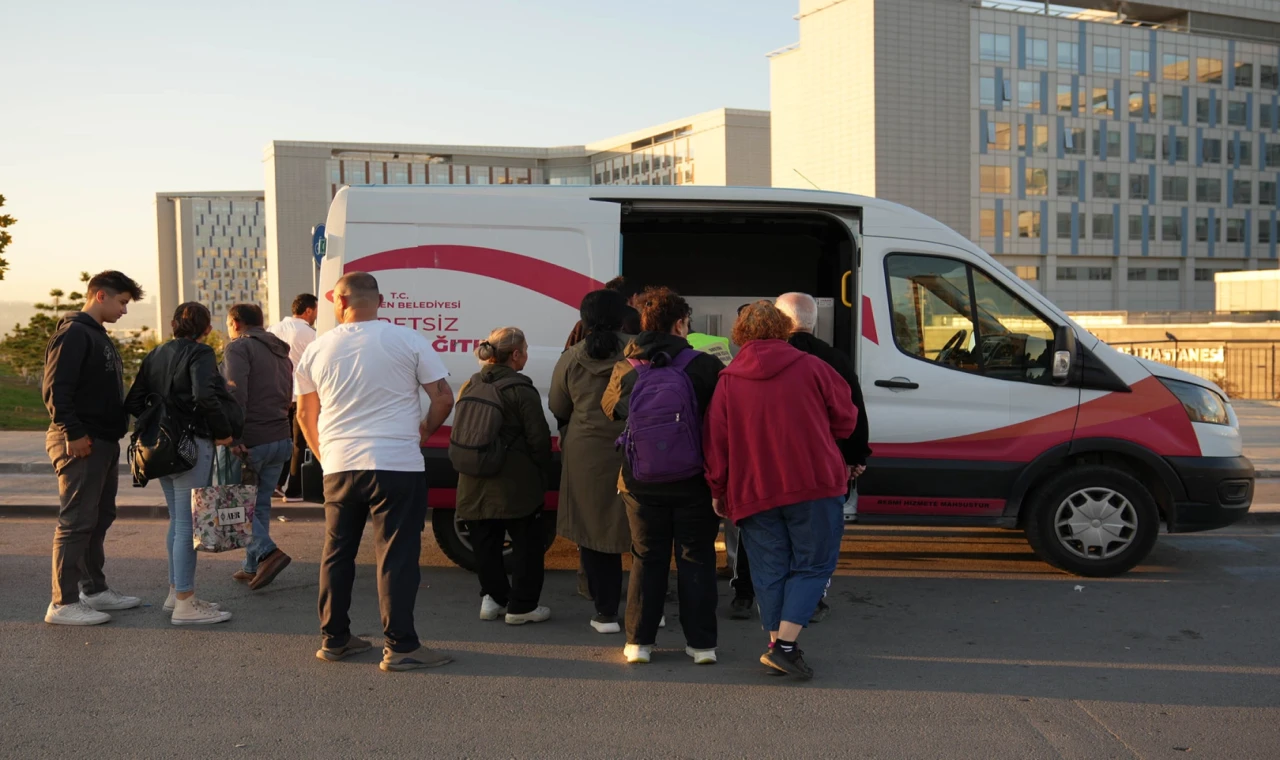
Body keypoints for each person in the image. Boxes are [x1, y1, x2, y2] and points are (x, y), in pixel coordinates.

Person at [296, 272, 455, 671]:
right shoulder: (408, 339)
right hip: (395, 463)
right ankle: (401, 646)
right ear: (379, 301)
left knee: (337, 552)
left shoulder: (316, 349)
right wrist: (422, 432)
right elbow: (443, 397)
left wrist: (325, 453)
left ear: (340, 303)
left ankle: (335, 640)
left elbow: (304, 412)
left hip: (339, 465)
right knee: (396, 555)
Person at [703, 301, 859, 680]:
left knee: (769, 569)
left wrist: (717, 489)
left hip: (753, 487)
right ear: (783, 329)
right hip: (814, 481)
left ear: (740, 334)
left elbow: (716, 443)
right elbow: (847, 419)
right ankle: (785, 646)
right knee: (813, 564)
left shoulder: (728, 380)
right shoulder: (814, 367)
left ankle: (779, 645)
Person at [602, 287, 724, 665]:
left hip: (640, 480)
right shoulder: (705, 365)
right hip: (694, 479)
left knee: (646, 557)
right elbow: (722, 420)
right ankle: (701, 645)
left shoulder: (627, 366)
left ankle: (638, 642)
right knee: (697, 556)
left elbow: (611, 410)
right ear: (680, 323)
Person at [125, 301, 241, 626]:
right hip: (192, 444)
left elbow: (134, 400)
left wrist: (160, 416)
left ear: (174, 323)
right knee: (187, 525)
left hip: (160, 448)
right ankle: (185, 604)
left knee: (177, 520)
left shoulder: (155, 354)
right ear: (206, 329)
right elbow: (205, 396)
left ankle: (176, 593)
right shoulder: (201, 353)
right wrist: (223, 433)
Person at [42, 271, 145, 626]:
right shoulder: (73, 334)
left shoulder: (96, 336)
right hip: (79, 441)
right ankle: (63, 602)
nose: (125, 311)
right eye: (122, 302)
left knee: (98, 518)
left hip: (100, 440)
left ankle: (94, 589)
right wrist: (72, 432)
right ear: (100, 296)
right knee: (75, 522)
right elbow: (56, 388)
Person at [775, 292, 874, 621]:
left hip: (777, 463)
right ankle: (813, 595)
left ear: (781, 321)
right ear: (812, 321)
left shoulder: (770, 359)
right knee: (819, 538)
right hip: (826, 464)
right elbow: (854, 412)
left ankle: (782, 596)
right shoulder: (836, 359)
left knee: (780, 535)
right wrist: (856, 457)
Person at [454, 327, 553, 626]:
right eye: (525, 350)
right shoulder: (521, 390)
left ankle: (493, 599)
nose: (527, 355)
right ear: (515, 355)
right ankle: (522, 606)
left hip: (472, 477)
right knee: (526, 544)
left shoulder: (470, 384)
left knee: (485, 542)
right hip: (514, 481)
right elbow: (539, 439)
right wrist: (541, 471)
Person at [550, 289, 632, 633]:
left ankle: (604, 612)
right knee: (641, 530)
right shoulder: (637, 352)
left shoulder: (571, 357)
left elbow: (558, 405)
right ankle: (648, 607)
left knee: (593, 530)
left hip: (585, 452)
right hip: (632, 449)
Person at [222, 303, 295, 590]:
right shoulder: (281, 351)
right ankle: (252, 565)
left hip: (252, 440)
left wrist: (234, 437)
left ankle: (268, 553)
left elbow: (235, 393)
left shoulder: (239, 348)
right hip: (280, 438)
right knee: (259, 505)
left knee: (235, 507)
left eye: (228, 324)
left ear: (236, 323)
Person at [268, 293, 318, 501]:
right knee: (299, 444)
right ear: (308, 310)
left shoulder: (273, 330)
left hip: (277, 394)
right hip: (300, 395)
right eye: (315, 310)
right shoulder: (310, 334)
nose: (316, 314)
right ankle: (294, 490)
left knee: (280, 442)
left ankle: (275, 484)